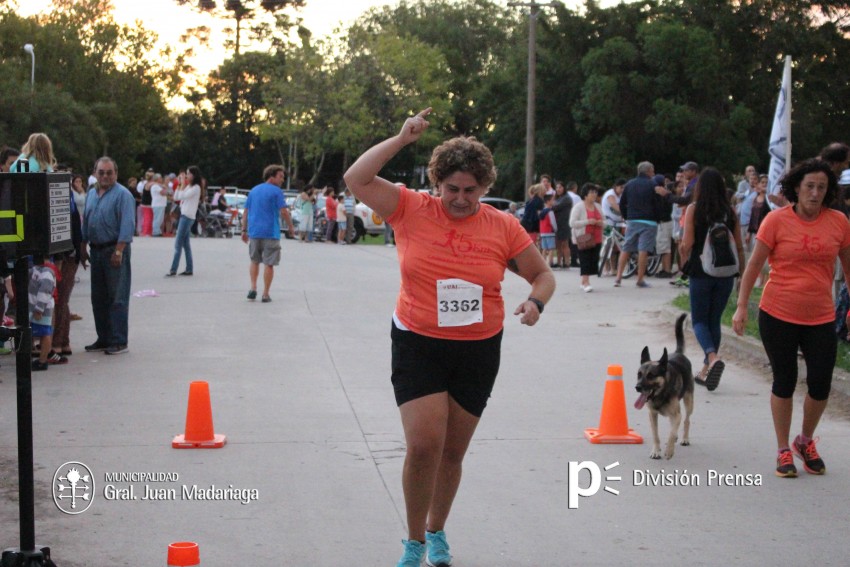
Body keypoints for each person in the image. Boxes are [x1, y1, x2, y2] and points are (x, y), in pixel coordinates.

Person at [343, 107, 555, 567]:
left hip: (478, 348)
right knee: (423, 446)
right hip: (418, 340)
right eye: (451, 189)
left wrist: (536, 302)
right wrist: (401, 139)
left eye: (471, 191)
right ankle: (414, 542)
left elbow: (542, 276)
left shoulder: (502, 226)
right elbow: (356, 179)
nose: (460, 199)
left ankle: (438, 531)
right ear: (437, 183)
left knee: (452, 453)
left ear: (485, 188)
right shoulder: (410, 207)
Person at [733, 159, 850, 478]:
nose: (815, 193)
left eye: (822, 188)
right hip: (778, 313)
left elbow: (849, 268)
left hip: (821, 316)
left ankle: (805, 440)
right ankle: (783, 449)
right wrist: (742, 306)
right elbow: (754, 266)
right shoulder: (776, 220)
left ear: (828, 192)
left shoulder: (839, 222)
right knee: (784, 381)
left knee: (821, 384)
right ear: (796, 188)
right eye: (809, 186)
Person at [680, 167, 745, 391]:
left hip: (701, 271)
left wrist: (682, 257)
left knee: (698, 320)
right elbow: (738, 245)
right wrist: (741, 274)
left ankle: (712, 358)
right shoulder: (730, 212)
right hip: (726, 272)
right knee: (714, 320)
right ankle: (707, 369)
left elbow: (687, 243)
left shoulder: (694, 210)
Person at [80, 157, 135, 355]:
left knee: (117, 297)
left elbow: (127, 226)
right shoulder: (92, 194)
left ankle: (119, 341)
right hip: (96, 250)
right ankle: (103, 338)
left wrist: (119, 250)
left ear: (116, 174)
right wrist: (82, 246)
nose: (104, 176)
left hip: (114, 250)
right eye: (101, 172)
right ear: (95, 173)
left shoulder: (123, 195)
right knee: (99, 298)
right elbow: (86, 221)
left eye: (109, 172)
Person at [241, 165, 295, 302]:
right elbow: (283, 211)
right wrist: (291, 227)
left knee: (254, 261)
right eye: (280, 176)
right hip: (271, 232)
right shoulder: (277, 191)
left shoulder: (253, 190)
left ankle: (253, 288)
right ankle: (265, 294)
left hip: (254, 232)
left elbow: (246, 212)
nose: (282, 180)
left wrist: (243, 230)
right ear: (272, 176)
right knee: (269, 263)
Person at [615, 161, 659, 288]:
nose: (654, 173)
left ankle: (618, 277)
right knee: (643, 249)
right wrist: (657, 217)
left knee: (626, 247)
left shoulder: (629, 184)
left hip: (633, 220)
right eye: (653, 170)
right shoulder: (652, 184)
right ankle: (640, 279)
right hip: (649, 221)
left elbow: (622, 202)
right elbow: (657, 203)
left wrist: (626, 216)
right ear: (649, 171)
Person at [29, 257, 65, 370]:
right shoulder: (36, 269)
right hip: (35, 307)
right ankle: (41, 358)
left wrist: (39, 309)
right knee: (41, 332)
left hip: (42, 310)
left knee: (44, 333)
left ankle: (42, 360)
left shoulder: (47, 273)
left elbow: (45, 291)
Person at [166, 165, 202, 277]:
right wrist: (181, 184)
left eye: (188, 173)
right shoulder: (189, 186)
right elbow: (176, 197)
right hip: (185, 215)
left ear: (194, 175)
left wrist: (181, 184)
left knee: (178, 244)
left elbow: (183, 196)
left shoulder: (196, 187)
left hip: (187, 217)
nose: (186, 175)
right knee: (186, 245)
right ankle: (189, 269)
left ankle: (173, 270)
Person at [570, 183, 604, 292]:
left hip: (597, 237)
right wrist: (588, 222)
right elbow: (572, 223)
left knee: (593, 260)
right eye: (591, 192)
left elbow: (605, 221)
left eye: (595, 192)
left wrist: (601, 223)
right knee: (585, 260)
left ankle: (583, 281)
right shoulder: (579, 207)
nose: (594, 194)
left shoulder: (598, 206)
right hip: (584, 238)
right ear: (585, 195)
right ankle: (586, 282)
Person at [552, 181, 573, 269]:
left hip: (564, 223)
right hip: (557, 223)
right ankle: (559, 262)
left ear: (564, 188)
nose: (558, 189)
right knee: (558, 244)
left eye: (560, 187)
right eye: (557, 187)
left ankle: (567, 262)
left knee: (565, 243)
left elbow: (555, 207)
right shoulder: (557, 198)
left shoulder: (566, 198)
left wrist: (551, 204)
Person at [538, 192, 557, 267]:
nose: (554, 201)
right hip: (550, 232)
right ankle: (550, 263)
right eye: (553, 200)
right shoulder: (550, 211)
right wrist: (555, 229)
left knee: (544, 248)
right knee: (551, 248)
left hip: (543, 232)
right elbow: (553, 222)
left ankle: (543, 264)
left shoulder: (542, 211)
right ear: (548, 201)